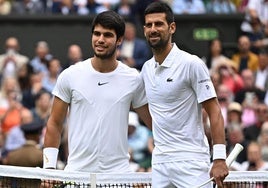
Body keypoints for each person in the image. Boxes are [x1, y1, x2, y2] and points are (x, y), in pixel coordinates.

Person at [43, 10, 151, 173]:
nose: (100, 40)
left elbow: (154, 123)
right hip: (77, 175)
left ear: (119, 40)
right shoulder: (70, 75)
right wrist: (49, 167)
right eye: (97, 34)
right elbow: (54, 123)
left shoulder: (133, 78)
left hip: (117, 176)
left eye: (107, 35)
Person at [141, 2, 228, 187]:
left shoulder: (191, 64)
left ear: (172, 27)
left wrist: (219, 158)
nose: (153, 29)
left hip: (192, 161)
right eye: (149, 25)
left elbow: (214, 111)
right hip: (160, 162)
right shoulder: (146, 69)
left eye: (158, 24)